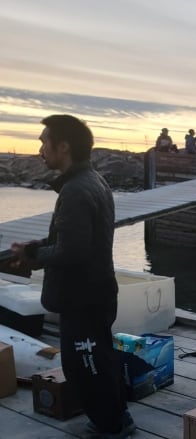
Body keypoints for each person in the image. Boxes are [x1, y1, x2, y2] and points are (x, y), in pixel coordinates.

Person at [10, 115, 136, 438]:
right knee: (100, 358)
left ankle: (111, 426)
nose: (40, 149)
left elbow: (73, 252)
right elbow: (74, 241)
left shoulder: (77, 190)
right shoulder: (92, 180)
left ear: (63, 146)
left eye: (44, 141)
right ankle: (117, 418)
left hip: (84, 298)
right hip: (96, 293)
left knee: (86, 366)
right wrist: (37, 246)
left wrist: (33, 255)